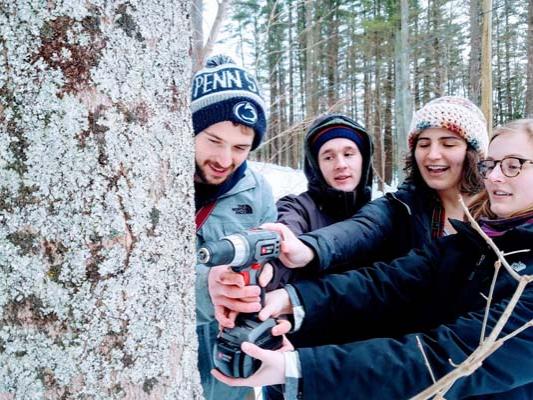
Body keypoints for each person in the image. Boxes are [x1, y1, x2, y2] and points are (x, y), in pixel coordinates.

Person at [213, 119, 533, 399]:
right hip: (371, 372)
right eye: (491, 165)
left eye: (513, 165)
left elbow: (451, 354)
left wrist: (299, 369)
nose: (494, 177)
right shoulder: (462, 239)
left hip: (388, 373)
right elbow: (379, 274)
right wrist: (293, 280)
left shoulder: (487, 242)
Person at [261, 96, 489, 278]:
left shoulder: (500, 208)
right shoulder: (401, 207)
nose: (433, 154)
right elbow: (361, 230)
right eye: (423, 144)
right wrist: (303, 249)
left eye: (448, 143)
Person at [192, 54, 277, 400]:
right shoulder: (156, 180)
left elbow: (272, 262)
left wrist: (267, 278)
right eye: (214, 141)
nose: (225, 160)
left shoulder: (258, 191)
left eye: (241, 147)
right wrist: (205, 286)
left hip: (229, 371)